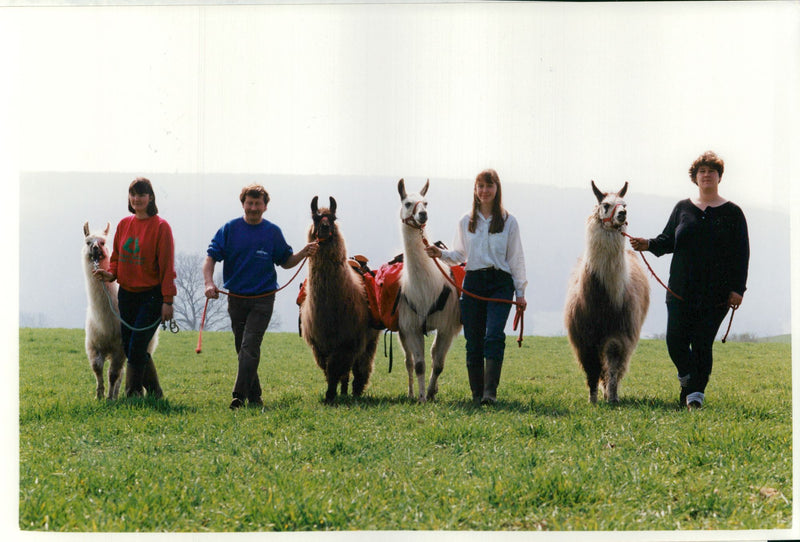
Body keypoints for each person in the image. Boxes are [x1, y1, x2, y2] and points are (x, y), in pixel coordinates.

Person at [629, 151, 749, 410]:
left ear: (719, 177)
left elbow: (742, 254)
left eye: (711, 171)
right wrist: (647, 244)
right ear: (695, 178)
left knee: (703, 344)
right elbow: (668, 240)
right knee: (675, 341)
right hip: (680, 291)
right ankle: (687, 379)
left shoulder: (733, 213)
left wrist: (738, 289)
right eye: (702, 171)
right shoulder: (682, 208)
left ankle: (695, 397)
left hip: (716, 295)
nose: (706, 175)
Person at [203, 184, 318, 410]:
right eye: (250, 203)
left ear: (265, 206)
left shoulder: (272, 232)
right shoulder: (229, 229)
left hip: (263, 298)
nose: (253, 208)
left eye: (258, 204)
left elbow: (286, 261)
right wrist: (209, 283)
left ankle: (238, 396)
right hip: (235, 298)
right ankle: (255, 396)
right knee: (242, 347)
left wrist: (304, 253)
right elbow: (210, 258)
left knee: (249, 345)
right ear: (243, 204)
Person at [424, 169, 527, 405]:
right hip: (473, 282)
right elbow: (460, 254)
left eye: (489, 186)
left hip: (500, 283)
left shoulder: (509, 222)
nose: (484, 191)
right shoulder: (465, 221)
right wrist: (439, 254)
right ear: (475, 190)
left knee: (493, 336)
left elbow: (516, 259)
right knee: (473, 338)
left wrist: (520, 293)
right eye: (480, 186)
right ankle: (476, 394)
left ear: (497, 189)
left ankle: (490, 394)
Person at [93, 177, 176, 398]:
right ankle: (156, 392)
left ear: (151, 198)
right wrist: (110, 274)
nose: (137, 198)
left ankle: (132, 393)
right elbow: (117, 259)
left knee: (138, 346)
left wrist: (168, 301)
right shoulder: (124, 225)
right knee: (130, 347)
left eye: (142, 194)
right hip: (127, 295)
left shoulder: (161, 227)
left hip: (152, 297)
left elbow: (167, 267)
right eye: (133, 194)